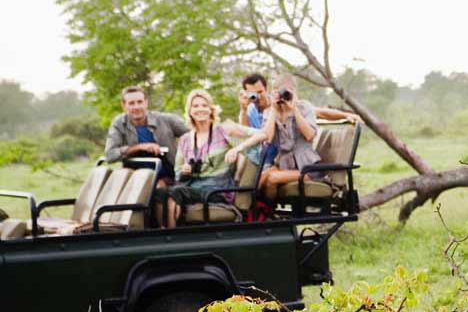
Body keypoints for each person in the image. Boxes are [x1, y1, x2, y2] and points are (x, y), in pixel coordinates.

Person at [162, 89, 263, 228]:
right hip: (192, 188)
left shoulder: (222, 131)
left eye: (204, 105)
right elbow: (178, 174)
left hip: (217, 191)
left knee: (175, 193)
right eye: (195, 106)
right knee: (160, 193)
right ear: (190, 111)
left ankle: (171, 239)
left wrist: (237, 148)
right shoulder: (185, 139)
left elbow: (261, 135)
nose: (200, 109)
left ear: (211, 109)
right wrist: (186, 171)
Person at [257, 75, 324, 205]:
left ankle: (268, 214)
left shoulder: (304, 107)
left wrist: (294, 110)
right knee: (260, 178)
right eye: (278, 92)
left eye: (286, 92)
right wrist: (273, 110)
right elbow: (268, 139)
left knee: (272, 178)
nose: (282, 96)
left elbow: (309, 135)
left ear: (293, 91)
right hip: (284, 165)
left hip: (307, 168)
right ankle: (254, 214)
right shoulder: (270, 112)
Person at [104, 86, 189, 183]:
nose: (136, 107)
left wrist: (185, 158)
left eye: (139, 102)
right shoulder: (119, 123)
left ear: (146, 102)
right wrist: (139, 147)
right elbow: (110, 155)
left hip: (167, 175)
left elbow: (194, 135)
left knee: (157, 188)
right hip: (134, 177)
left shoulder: (166, 120)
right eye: (131, 103)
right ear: (123, 105)